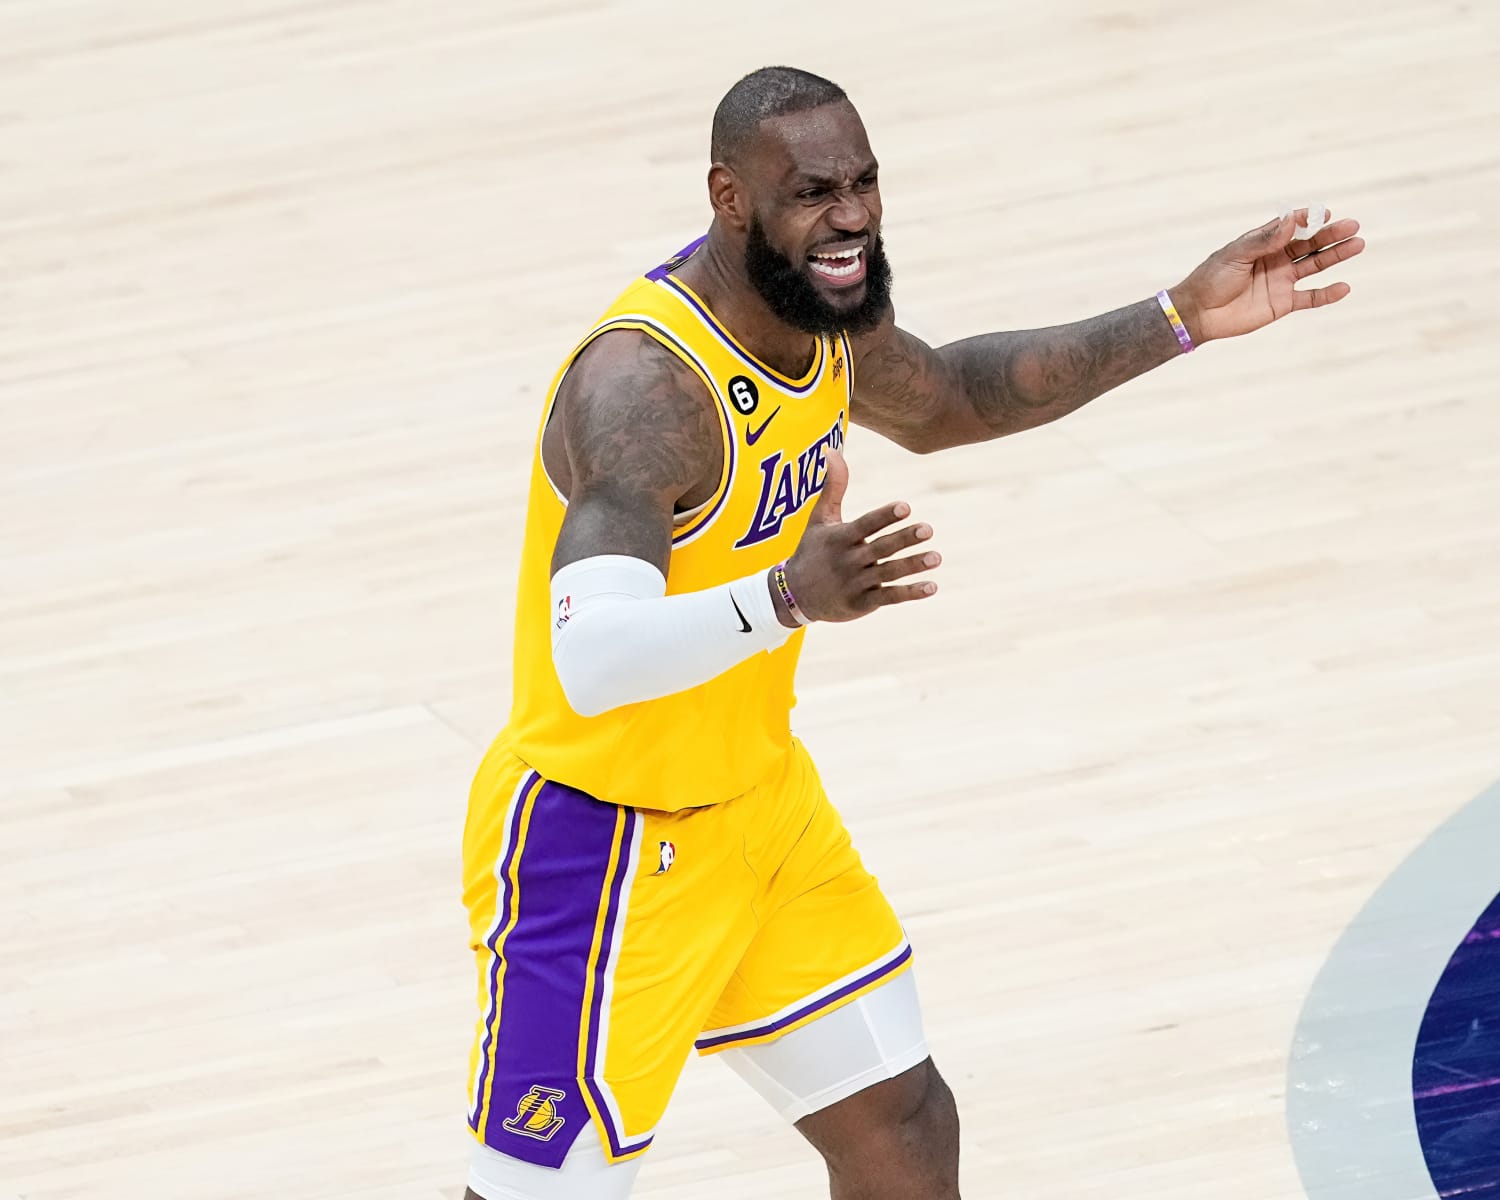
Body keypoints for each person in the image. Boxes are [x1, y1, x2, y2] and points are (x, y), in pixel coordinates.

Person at [461, 64, 1364, 1200]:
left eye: (864, 183)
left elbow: (945, 398)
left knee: (902, 1119)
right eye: (810, 193)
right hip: (603, 848)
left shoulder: (820, 316)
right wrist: (782, 598)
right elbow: (590, 659)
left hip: (757, 805)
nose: (848, 217)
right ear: (729, 198)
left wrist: (1180, 318)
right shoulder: (646, 390)